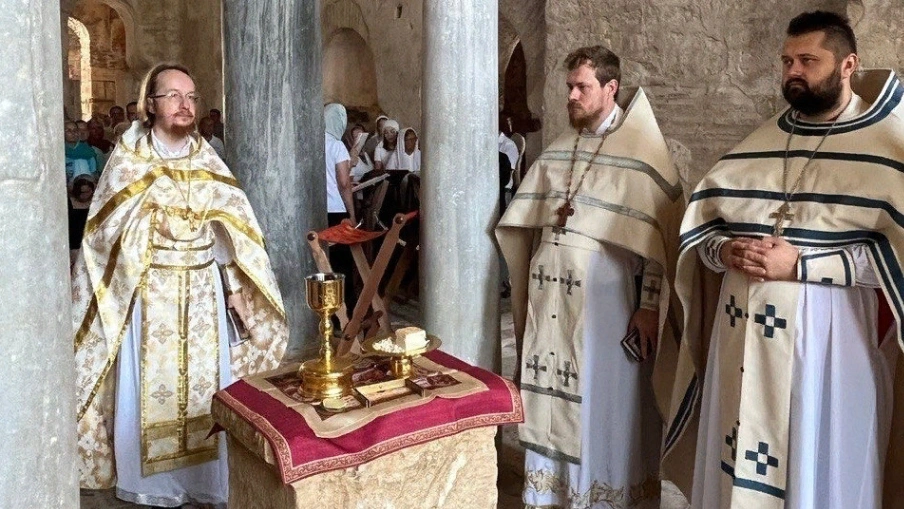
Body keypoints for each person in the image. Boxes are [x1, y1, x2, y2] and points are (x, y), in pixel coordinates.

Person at [663, 11, 904, 508]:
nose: (793, 70)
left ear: (847, 65)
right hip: (740, 336)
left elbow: (888, 261)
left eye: (808, 60)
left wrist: (801, 267)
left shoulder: (889, 146)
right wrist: (724, 250)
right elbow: (707, 230)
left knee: (817, 463)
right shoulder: (765, 139)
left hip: (830, 342)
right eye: (787, 60)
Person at [72, 62, 289, 507]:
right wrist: (153, 225)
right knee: (148, 387)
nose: (185, 105)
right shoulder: (129, 158)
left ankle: (205, 482)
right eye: (173, 96)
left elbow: (234, 228)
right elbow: (103, 233)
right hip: (149, 293)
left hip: (203, 292)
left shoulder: (205, 156)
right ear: (150, 104)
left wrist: (233, 285)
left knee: (208, 386)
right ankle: (151, 485)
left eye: (190, 96)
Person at [495, 45, 683, 508]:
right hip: (551, 311)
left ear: (611, 88)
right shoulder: (562, 148)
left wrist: (649, 306)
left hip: (607, 312)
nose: (572, 96)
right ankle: (551, 498)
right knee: (549, 400)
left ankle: (601, 498)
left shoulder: (644, 154)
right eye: (569, 88)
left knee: (603, 404)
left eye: (582, 87)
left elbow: (661, 241)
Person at [324, 103, 357, 310]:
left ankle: (324, 309)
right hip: (336, 209)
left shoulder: (309, 142)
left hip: (314, 209)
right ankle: (344, 313)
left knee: (321, 262)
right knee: (341, 264)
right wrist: (352, 213)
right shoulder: (337, 146)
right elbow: (344, 183)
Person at [64, 120, 101, 185]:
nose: (73, 133)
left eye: (75, 130)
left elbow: (94, 173)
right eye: (69, 131)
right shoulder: (59, 152)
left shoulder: (88, 151)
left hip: (87, 186)